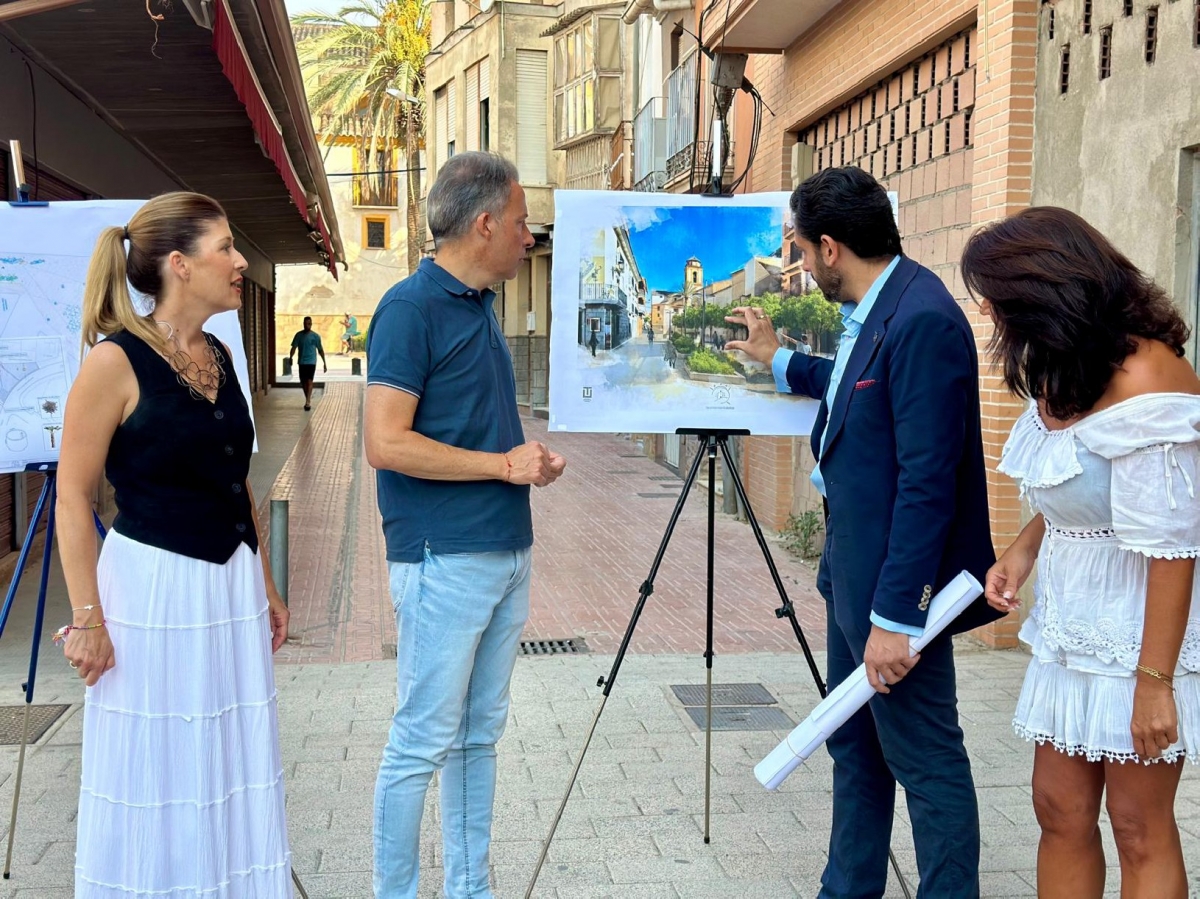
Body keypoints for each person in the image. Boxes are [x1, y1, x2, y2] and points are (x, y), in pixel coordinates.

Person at [726, 166, 999, 899]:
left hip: (892, 594)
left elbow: (928, 483)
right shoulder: (880, 309)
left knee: (924, 755)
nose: (801, 265)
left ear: (832, 246)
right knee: (857, 745)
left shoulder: (924, 320)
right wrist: (777, 358)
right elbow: (851, 385)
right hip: (853, 574)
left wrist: (896, 618)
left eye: (803, 252)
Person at [55, 192, 291, 897]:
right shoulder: (114, 362)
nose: (240, 260)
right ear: (182, 265)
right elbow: (73, 496)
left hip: (230, 584)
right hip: (153, 587)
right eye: (226, 246)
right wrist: (87, 619)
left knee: (225, 756)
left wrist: (267, 584)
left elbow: (233, 474)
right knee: (160, 758)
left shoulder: (219, 350)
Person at [964, 207, 1200, 899]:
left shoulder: (1149, 377)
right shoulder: (1065, 367)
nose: (990, 313)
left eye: (998, 298)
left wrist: (1153, 681)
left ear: (1047, 288)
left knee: (1137, 824)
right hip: (1073, 631)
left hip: (1141, 634)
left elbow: (1174, 545)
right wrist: (1023, 548)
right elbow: (1087, 487)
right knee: (1057, 809)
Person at [365, 151, 567, 899]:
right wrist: (501, 467)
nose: (527, 236)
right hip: (442, 557)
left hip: (503, 549)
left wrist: (525, 463)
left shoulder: (480, 307)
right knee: (422, 739)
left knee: (479, 735)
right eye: (519, 223)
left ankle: (469, 886)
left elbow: (477, 435)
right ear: (483, 224)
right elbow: (384, 441)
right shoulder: (409, 308)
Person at [289, 315, 326, 410]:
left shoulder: (315, 336)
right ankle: (307, 398)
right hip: (301, 362)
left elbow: (320, 350)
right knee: (303, 382)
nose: (307, 325)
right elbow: (293, 347)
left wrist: (324, 363)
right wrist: (290, 357)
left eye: (309, 324)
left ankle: (308, 401)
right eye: (305, 324)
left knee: (309, 381)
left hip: (311, 362)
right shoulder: (298, 335)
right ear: (303, 324)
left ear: (311, 324)